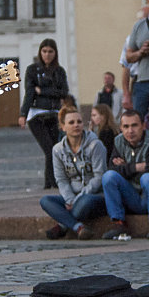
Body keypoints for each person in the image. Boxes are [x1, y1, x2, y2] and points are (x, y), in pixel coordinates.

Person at [101, 109, 149, 240]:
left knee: (148, 178)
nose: (130, 131)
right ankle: (119, 224)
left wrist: (125, 168)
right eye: (126, 126)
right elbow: (112, 169)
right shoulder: (118, 141)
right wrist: (137, 167)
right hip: (135, 198)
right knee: (109, 177)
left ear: (143, 125)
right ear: (120, 129)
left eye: (134, 125)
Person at [40, 105, 107, 240]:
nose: (76, 125)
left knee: (84, 203)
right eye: (71, 122)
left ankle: (63, 225)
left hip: (93, 196)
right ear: (63, 127)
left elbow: (99, 177)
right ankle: (78, 227)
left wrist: (77, 199)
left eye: (79, 122)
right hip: (71, 197)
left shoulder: (95, 145)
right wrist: (70, 199)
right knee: (45, 200)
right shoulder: (57, 150)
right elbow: (61, 179)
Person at [18, 38, 69, 189]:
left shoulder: (59, 71)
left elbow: (64, 92)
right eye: (44, 51)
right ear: (40, 52)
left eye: (50, 51)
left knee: (54, 150)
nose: (47, 55)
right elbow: (30, 93)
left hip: (54, 115)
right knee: (49, 149)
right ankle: (51, 184)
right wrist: (23, 114)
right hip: (36, 116)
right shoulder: (33, 70)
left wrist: (43, 91)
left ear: (55, 53)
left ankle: (51, 183)